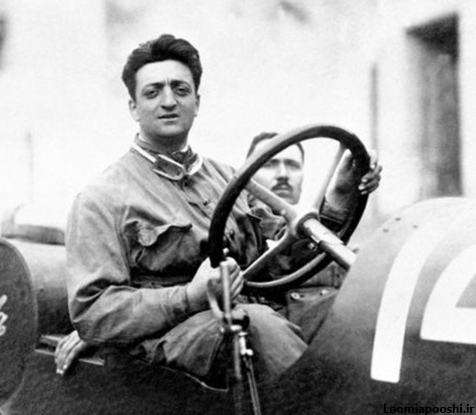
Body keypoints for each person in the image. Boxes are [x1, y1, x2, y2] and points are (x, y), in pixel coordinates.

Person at [57, 34, 379, 403]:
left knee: (357, 309)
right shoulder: (102, 198)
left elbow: (286, 259)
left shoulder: (231, 179)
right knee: (255, 326)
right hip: (172, 336)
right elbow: (94, 311)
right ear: (133, 107)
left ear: (197, 102)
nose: (168, 101)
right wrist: (189, 297)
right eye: (153, 92)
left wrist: (339, 198)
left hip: (256, 312)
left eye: (180, 89)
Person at [245, 131, 381, 335]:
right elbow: (281, 258)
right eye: (269, 164)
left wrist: (346, 190)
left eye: (292, 165)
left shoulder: (326, 232)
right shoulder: (239, 228)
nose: (283, 174)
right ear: (249, 176)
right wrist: (337, 199)